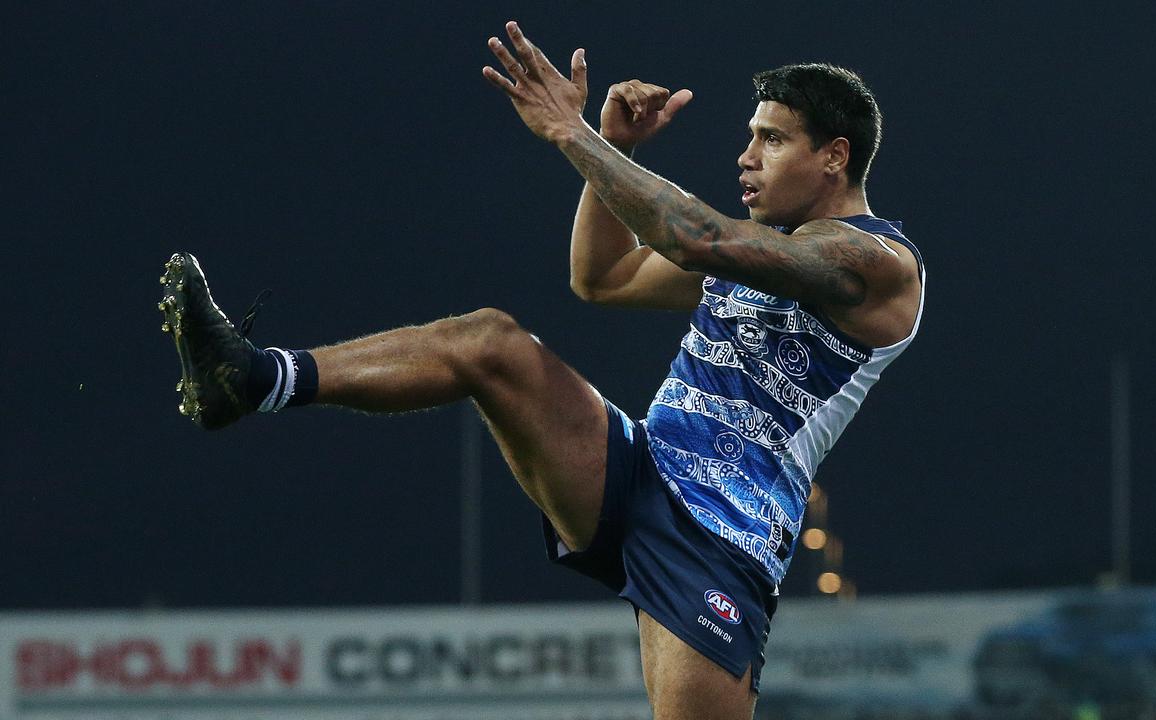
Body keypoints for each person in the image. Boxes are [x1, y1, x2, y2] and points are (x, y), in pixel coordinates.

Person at [158, 21, 924, 720]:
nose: (745, 157)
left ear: (834, 157)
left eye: (772, 140)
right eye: (750, 136)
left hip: (723, 538)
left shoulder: (879, 266)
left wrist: (568, 131)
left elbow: (699, 239)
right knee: (489, 343)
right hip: (635, 471)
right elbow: (602, 279)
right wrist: (610, 154)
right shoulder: (765, 249)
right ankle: (253, 379)